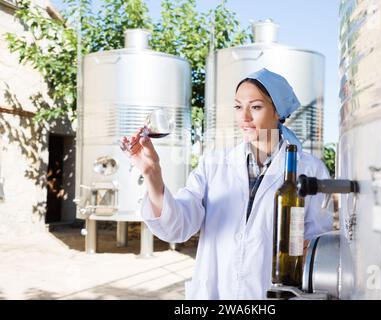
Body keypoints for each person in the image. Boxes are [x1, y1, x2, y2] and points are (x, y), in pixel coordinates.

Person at [128, 68, 332, 299]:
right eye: (238, 106)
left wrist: (309, 250)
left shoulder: (310, 170)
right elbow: (178, 227)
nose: (244, 117)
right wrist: (153, 174)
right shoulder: (213, 164)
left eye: (255, 107)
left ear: (278, 112)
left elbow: (317, 246)